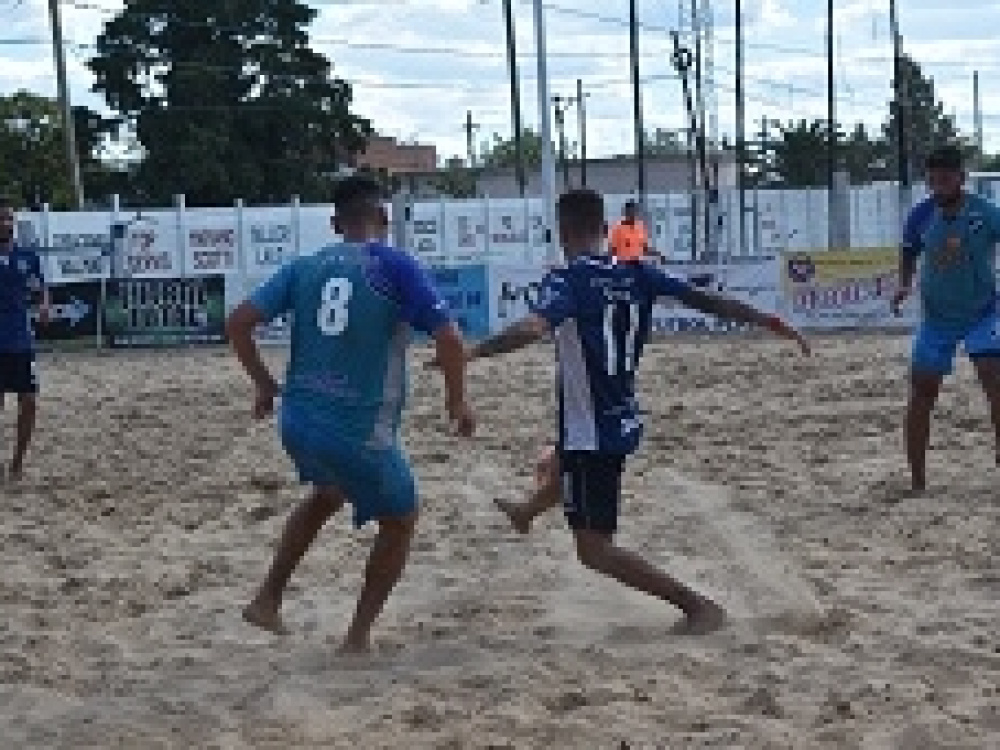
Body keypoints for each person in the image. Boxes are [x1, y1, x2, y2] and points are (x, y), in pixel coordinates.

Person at [439, 188, 809, 635]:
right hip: (620, 413)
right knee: (560, 463)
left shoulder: (568, 279)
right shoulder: (638, 273)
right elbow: (709, 300)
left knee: (593, 550)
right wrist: (770, 321)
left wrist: (471, 354)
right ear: (604, 228)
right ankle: (527, 512)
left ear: (562, 231)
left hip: (592, 429)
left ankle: (697, 607)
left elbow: (533, 327)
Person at [226, 175, 474, 653]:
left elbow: (238, 324)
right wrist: (457, 401)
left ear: (335, 223)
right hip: (357, 431)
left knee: (328, 493)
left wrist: (264, 384)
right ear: (383, 218)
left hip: (297, 422)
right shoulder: (395, 264)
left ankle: (267, 599)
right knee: (401, 519)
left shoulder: (304, 266)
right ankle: (357, 639)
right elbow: (449, 339)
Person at [893, 145, 1000, 493]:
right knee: (923, 390)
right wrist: (904, 284)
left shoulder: (985, 212)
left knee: (993, 375)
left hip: (982, 311)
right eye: (933, 180)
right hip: (937, 317)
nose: (939, 187)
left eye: (946, 180)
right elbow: (909, 252)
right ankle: (917, 481)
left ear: (961, 178)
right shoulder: (920, 215)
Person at [0, 198, 49, 481]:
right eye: (1, 218)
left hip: (20, 339)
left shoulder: (27, 257)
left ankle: (17, 464)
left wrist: (43, 304)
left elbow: (40, 287)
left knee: (29, 400)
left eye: (9, 218)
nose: (6, 223)